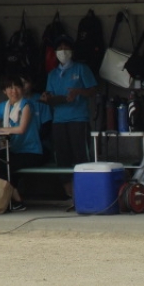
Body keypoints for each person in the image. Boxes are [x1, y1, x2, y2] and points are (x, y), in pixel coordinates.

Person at [41, 35, 98, 201]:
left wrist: (78, 92)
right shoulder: (52, 74)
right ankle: (70, 194)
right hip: (59, 120)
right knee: (62, 157)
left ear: (72, 51)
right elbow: (50, 94)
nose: (63, 51)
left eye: (66, 48)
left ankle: (87, 192)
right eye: (59, 49)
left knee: (81, 155)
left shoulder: (81, 69)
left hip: (78, 118)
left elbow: (93, 90)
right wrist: (46, 97)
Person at [0, 74, 45, 211]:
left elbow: (21, 129)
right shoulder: (2, 107)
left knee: (4, 165)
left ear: (22, 89)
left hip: (31, 152)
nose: (14, 91)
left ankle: (16, 201)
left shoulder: (26, 105)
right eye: (9, 88)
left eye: (17, 87)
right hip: (13, 151)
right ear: (4, 91)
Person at [21, 73, 53, 164]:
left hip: (39, 144)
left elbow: (47, 125)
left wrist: (32, 139)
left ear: (32, 84)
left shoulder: (40, 100)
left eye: (25, 82)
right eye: (20, 83)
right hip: (20, 145)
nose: (23, 86)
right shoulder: (13, 102)